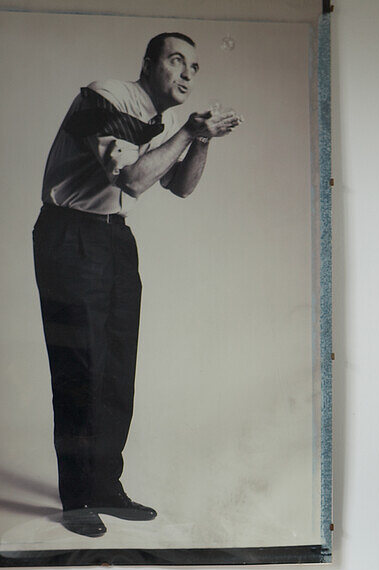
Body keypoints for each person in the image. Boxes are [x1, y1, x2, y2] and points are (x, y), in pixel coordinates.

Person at [32, 32, 241, 537]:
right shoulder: (105, 95)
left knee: (117, 370)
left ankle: (105, 486)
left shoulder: (167, 122)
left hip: (113, 238)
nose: (188, 74)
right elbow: (131, 179)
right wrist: (188, 133)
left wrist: (200, 139)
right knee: (81, 367)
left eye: (195, 66)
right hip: (70, 233)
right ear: (148, 64)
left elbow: (181, 186)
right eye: (176, 61)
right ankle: (77, 498)